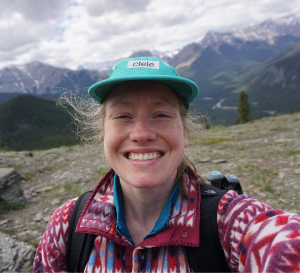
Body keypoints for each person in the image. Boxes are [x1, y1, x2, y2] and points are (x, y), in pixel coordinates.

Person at [33, 57, 300, 272]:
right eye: (122, 116)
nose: (141, 134)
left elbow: (283, 242)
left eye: (161, 115)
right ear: (103, 133)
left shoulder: (230, 223)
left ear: (185, 133)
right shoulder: (67, 225)